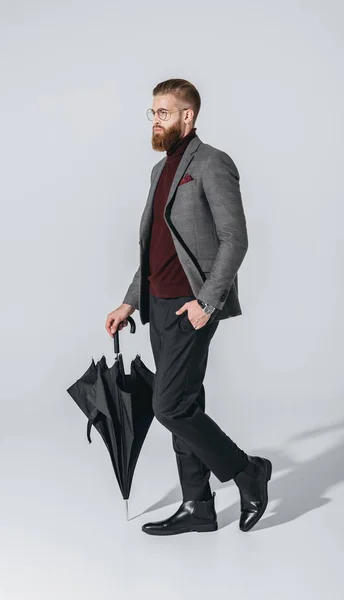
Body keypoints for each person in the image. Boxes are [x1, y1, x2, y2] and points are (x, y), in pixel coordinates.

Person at [105, 78, 272, 535]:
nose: (156, 120)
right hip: (155, 305)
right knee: (186, 400)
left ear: (187, 116)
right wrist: (128, 302)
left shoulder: (213, 163)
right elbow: (156, 250)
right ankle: (198, 505)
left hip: (189, 306)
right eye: (152, 112)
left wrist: (206, 301)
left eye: (164, 112)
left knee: (170, 406)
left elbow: (234, 240)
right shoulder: (160, 172)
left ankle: (247, 472)